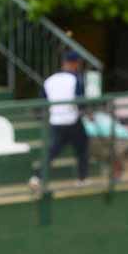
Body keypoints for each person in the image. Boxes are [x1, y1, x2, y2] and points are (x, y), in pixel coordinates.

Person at [37, 50, 89, 186]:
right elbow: (80, 101)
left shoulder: (50, 80)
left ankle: (37, 178)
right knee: (82, 149)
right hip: (72, 120)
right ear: (74, 63)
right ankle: (82, 179)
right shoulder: (76, 79)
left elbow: (41, 101)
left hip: (56, 121)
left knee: (52, 151)